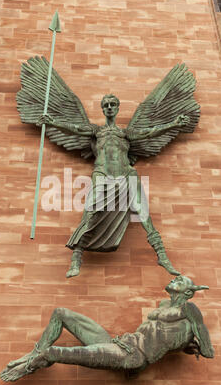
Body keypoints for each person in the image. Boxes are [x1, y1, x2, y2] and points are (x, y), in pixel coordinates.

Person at [37, 95, 189, 278]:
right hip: (102, 174)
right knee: (91, 212)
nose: (109, 107)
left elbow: (151, 132)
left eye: (113, 104)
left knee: (143, 213)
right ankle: (76, 258)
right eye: (106, 105)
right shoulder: (96, 131)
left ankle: (162, 256)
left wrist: (174, 124)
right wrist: (53, 123)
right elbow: (75, 129)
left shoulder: (126, 134)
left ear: (117, 108)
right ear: (103, 109)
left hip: (127, 174)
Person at [0, 275, 214, 382]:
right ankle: (36, 353)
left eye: (180, 280)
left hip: (132, 355)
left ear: (188, 293)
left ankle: (30, 365)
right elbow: (163, 339)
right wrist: (181, 345)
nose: (175, 279)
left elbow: (207, 348)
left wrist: (193, 343)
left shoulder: (189, 310)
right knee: (61, 313)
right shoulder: (164, 306)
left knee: (61, 353)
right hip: (118, 343)